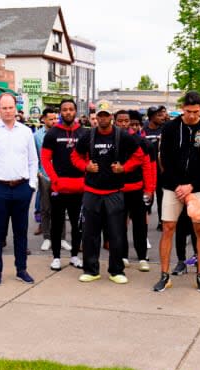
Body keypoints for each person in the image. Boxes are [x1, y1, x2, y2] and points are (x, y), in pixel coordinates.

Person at [70, 100, 141, 284]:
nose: (103, 118)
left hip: (114, 192)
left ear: (112, 117)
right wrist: (85, 167)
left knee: (116, 233)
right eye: (100, 115)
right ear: (96, 116)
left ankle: (116, 271)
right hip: (92, 192)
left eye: (106, 115)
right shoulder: (88, 135)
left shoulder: (121, 136)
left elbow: (139, 155)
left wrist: (123, 168)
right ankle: (91, 270)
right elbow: (75, 156)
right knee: (90, 233)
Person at [155, 91, 200, 293]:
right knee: (168, 227)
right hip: (172, 186)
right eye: (188, 111)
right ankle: (164, 275)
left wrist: (191, 185)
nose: (192, 115)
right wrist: (178, 186)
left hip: (198, 187)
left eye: (196, 111)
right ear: (183, 108)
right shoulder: (170, 127)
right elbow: (164, 159)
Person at [0, 92, 38, 286]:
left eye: (10, 107)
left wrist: (31, 185)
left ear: (16, 108)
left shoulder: (26, 132)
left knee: (21, 232)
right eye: (3, 108)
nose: (7, 111)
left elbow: (32, 160)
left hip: (22, 187)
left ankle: (21, 269)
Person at [41, 98, 84, 270]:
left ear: (75, 111)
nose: (68, 112)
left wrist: (86, 177)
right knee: (57, 223)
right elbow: (45, 159)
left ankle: (74, 256)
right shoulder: (52, 133)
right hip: (58, 187)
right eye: (64, 109)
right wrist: (54, 179)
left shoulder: (83, 133)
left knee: (77, 224)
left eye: (71, 109)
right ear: (60, 112)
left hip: (79, 187)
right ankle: (56, 257)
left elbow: (88, 158)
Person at [117, 109, 156, 272]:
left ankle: (142, 257)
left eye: (128, 121)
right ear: (115, 121)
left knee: (140, 225)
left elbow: (149, 167)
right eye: (121, 121)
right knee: (119, 226)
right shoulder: (111, 139)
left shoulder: (142, 142)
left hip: (138, 190)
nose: (124, 124)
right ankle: (123, 256)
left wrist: (149, 190)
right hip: (117, 191)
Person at [34, 107, 57, 247]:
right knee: (45, 207)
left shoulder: (61, 133)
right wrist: (38, 172)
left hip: (59, 176)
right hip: (44, 176)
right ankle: (47, 237)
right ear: (43, 119)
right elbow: (34, 156)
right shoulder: (37, 136)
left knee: (59, 208)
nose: (54, 121)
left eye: (55, 119)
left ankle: (60, 238)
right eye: (51, 119)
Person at [142, 105, 168, 229]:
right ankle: (144, 220)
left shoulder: (165, 129)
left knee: (161, 195)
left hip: (161, 169)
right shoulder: (144, 130)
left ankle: (161, 221)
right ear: (151, 117)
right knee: (148, 196)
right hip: (148, 168)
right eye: (158, 115)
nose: (162, 117)